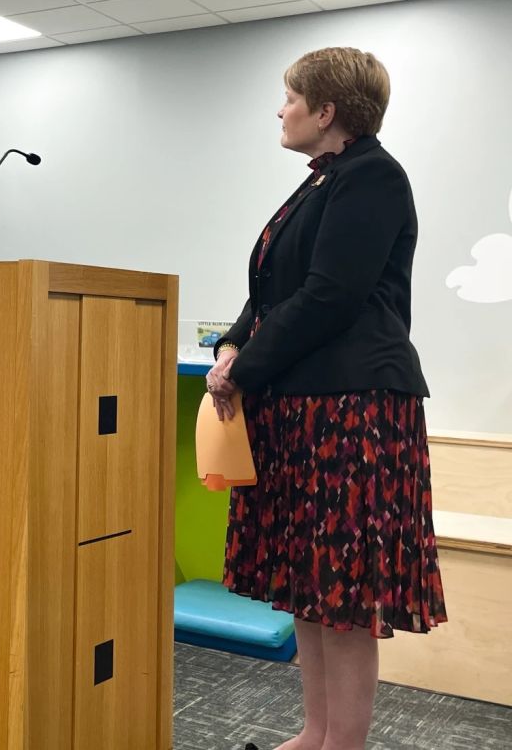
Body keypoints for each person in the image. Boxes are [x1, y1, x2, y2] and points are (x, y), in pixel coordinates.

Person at [205, 48, 447, 750]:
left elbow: (330, 296)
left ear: (326, 110)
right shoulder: (322, 182)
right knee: (310, 587)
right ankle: (315, 734)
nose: (280, 110)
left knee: (342, 595)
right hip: (306, 406)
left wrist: (245, 369)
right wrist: (231, 344)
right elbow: (272, 292)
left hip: (353, 409)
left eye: (290, 98)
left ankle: (343, 744)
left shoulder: (373, 176)